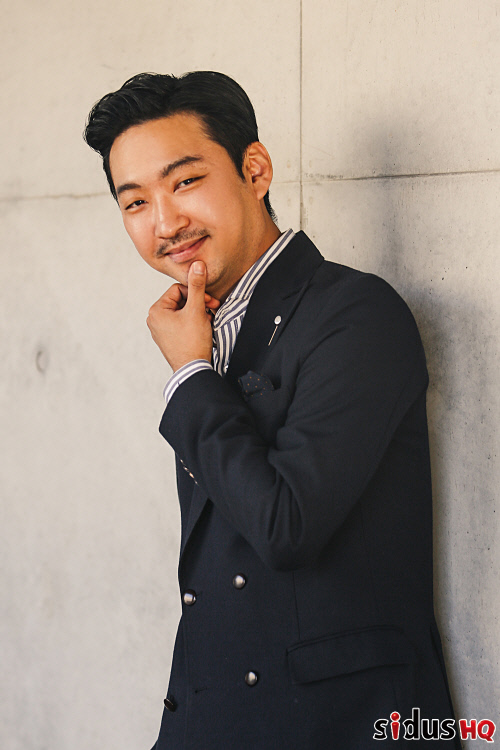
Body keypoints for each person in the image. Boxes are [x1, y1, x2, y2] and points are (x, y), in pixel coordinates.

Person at [84, 72, 459, 749]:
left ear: (254, 170)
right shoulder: (207, 326)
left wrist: (191, 376)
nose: (164, 222)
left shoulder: (355, 313)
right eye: (135, 201)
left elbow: (286, 526)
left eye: (185, 181)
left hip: (342, 726)